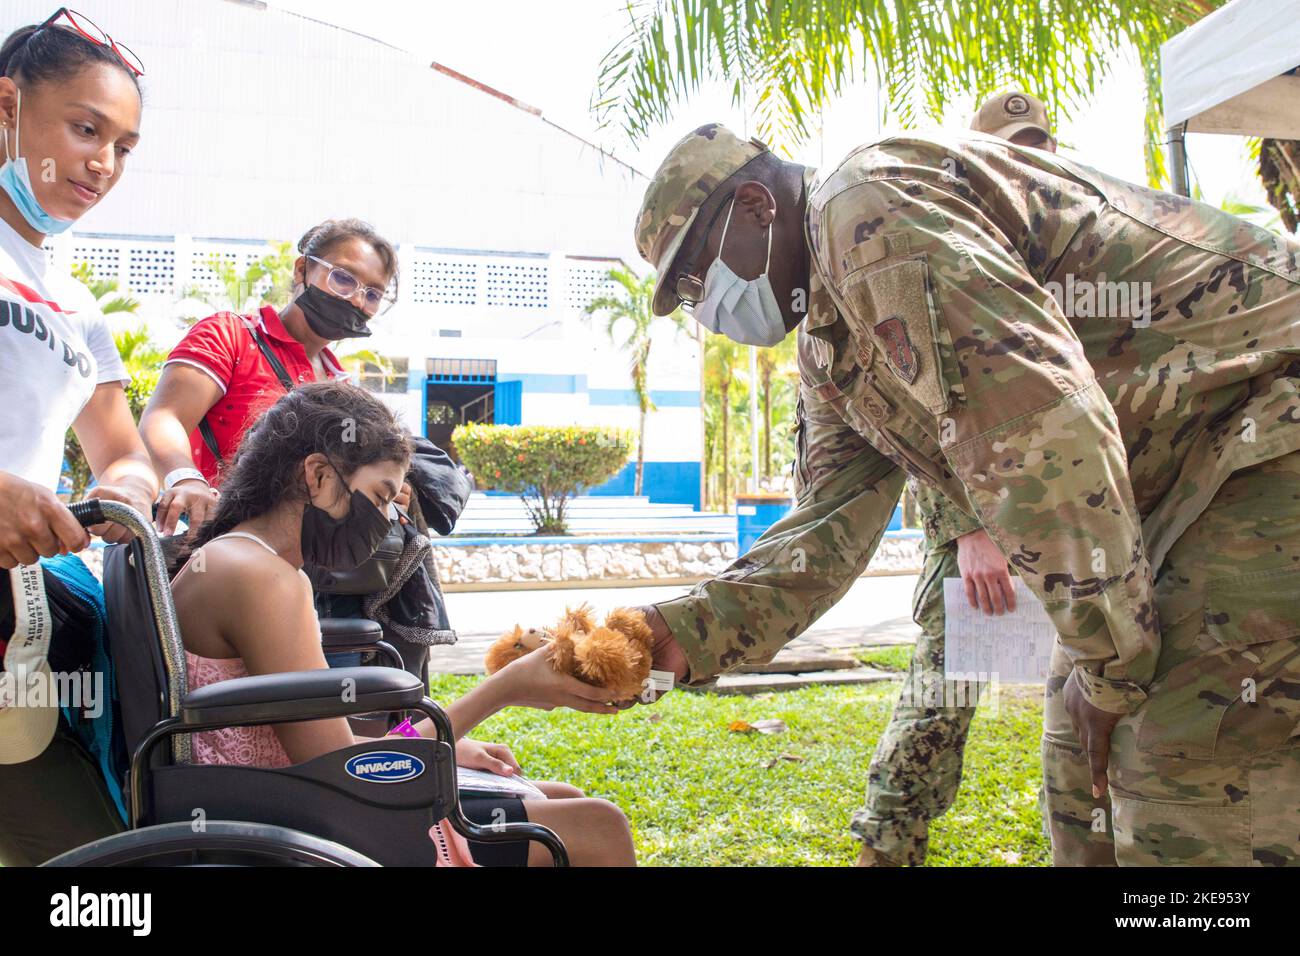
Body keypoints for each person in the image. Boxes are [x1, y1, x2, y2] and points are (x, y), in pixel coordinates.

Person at [631, 121, 1300, 866]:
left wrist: (1112, 671)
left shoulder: (866, 211)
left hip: (1267, 425)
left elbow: (1045, 437)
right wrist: (678, 636)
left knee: (1176, 771)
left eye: (694, 277)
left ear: (756, 206)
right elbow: (824, 532)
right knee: (1079, 773)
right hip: (1182, 484)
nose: (704, 307)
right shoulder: (827, 345)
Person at [170, 381, 636, 866]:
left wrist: (446, 746)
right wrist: (502, 690)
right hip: (297, 826)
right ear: (318, 475)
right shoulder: (263, 579)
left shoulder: (243, 561)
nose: (392, 518)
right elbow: (345, 772)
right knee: (599, 823)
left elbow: (330, 746)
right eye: (381, 495)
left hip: (280, 800)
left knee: (560, 796)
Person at [855, 90, 1086, 866]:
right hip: (989, 528)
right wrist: (969, 529)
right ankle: (887, 851)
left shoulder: (1073, 249)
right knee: (944, 702)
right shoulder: (953, 244)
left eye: (1040, 143)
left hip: (1086, 518)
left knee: (1105, 702)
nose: (1033, 159)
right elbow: (923, 406)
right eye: (1014, 146)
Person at [0, 9, 158, 866]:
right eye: (86, 128)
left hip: (20, 622)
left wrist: (128, 494)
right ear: (5, 107)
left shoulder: (75, 300)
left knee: (89, 864)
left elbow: (121, 449)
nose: (103, 162)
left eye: (124, 146)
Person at [139, 217, 407, 535]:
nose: (356, 299)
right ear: (301, 269)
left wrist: (382, 491)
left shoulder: (341, 385)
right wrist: (185, 478)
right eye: (343, 279)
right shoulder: (231, 336)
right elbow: (165, 417)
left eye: (373, 294)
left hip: (295, 555)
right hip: (213, 542)